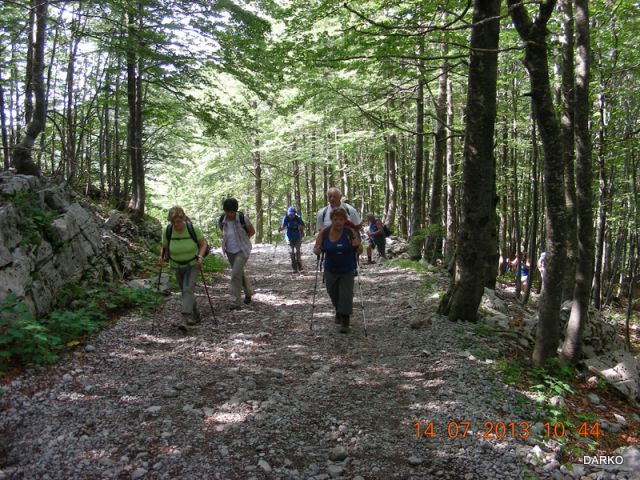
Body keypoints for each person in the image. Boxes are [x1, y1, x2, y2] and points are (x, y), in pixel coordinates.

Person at [313, 207, 361, 333]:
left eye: (341, 219)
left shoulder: (349, 232)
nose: (338, 222)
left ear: (345, 220)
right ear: (332, 220)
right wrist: (317, 250)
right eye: (335, 219)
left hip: (347, 268)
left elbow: (359, 249)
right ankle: (339, 310)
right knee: (332, 293)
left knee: (346, 294)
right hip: (330, 268)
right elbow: (317, 247)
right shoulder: (324, 232)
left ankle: (345, 319)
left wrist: (357, 246)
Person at [160, 206, 208, 327]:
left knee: (188, 289)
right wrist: (161, 257)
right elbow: (164, 246)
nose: (176, 224)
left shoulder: (193, 228)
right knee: (186, 291)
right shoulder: (167, 230)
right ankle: (196, 313)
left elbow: (203, 244)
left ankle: (185, 318)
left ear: (184, 219)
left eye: (178, 221)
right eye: (173, 222)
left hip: (193, 264)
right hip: (176, 264)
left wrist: (200, 257)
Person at [219, 198, 255, 310]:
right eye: (227, 211)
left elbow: (252, 231)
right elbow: (223, 232)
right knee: (239, 272)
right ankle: (248, 294)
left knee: (235, 275)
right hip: (229, 251)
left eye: (231, 212)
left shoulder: (242, 218)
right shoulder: (222, 220)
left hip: (242, 250)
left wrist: (244, 240)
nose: (229, 214)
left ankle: (237, 302)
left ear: (235, 210)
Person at [279, 206, 305, 273]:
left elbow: (303, 226)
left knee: (298, 252)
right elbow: (283, 226)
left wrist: (300, 227)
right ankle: (294, 268)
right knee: (291, 252)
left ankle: (300, 265)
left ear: (295, 213)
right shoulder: (286, 218)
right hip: (289, 237)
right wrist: (280, 228)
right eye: (290, 214)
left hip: (297, 237)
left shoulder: (298, 218)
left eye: (292, 214)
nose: (291, 216)